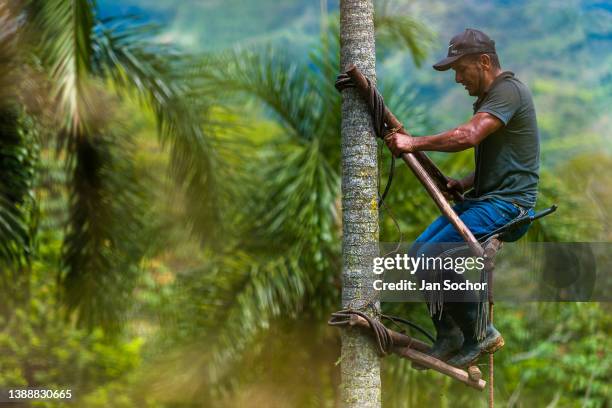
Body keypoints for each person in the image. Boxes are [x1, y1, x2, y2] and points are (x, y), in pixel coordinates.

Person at [384, 28, 540, 368]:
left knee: (432, 256)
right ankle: (451, 335)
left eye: (461, 68)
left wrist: (413, 143)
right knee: (418, 253)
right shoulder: (491, 99)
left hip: (509, 207)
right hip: (486, 201)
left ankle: (480, 332)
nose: (457, 78)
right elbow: (507, 161)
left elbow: (468, 136)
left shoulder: (508, 92)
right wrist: (465, 183)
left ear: (484, 62)